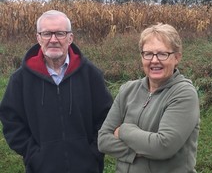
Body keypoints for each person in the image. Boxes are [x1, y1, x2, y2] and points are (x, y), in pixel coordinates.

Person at [0, 10, 113, 173]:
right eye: (46, 34)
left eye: (60, 33)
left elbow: (106, 116)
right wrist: (32, 153)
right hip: (41, 168)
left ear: (70, 38)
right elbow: (11, 120)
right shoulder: (21, 79)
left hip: (87, 167)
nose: (53, 40)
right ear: (38, 38)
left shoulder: (90, 74)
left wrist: (93, 152)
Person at [98, 23, 200, 173]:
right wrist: (139, 151)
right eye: (148, 54)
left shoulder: (183, 93)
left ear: (177, 57)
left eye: (162, 54)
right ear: (142, 57)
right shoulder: (128, 90)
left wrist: (124, 131)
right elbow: (103, 140)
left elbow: (163, 146)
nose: (154, 60)